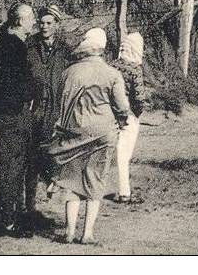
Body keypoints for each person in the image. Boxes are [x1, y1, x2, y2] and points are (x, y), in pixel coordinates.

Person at [46, 28, 130, 245]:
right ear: (101, 50)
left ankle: (69, 231)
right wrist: (121, 121)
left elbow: (58, 101)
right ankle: (87, 234)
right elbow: (122, 107)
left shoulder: (68, 72)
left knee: (72, 181)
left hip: (73, 131)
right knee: (95, 180)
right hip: (102, 132)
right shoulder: (112, 74)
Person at [0, 3, 38, 237]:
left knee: (9, 165)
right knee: (13, 167)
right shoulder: (15, 48)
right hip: (14, 113)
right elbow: (19, 83)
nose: (34, 22)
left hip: (2, 112)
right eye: (31, 18)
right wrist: (27, 96)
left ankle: (2, 217)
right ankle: (6, 222)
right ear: (21, 21)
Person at [23, 4, 71, 230]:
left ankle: (51, 183)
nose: (44, 26)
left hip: (56, 110)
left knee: (55, 153)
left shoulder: (65, 50)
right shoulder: (29, 46)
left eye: (49, 23)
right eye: (41, 22)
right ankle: (29, 207)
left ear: (57, 25)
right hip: (33, 109)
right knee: (30, 159)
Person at [109, 32, 151, 204]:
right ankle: (124, 191)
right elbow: (139, 98)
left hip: (110, 113)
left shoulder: (111, 66)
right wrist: (137, 114)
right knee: (123, 154)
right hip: (128, 115)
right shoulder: (135, 69)